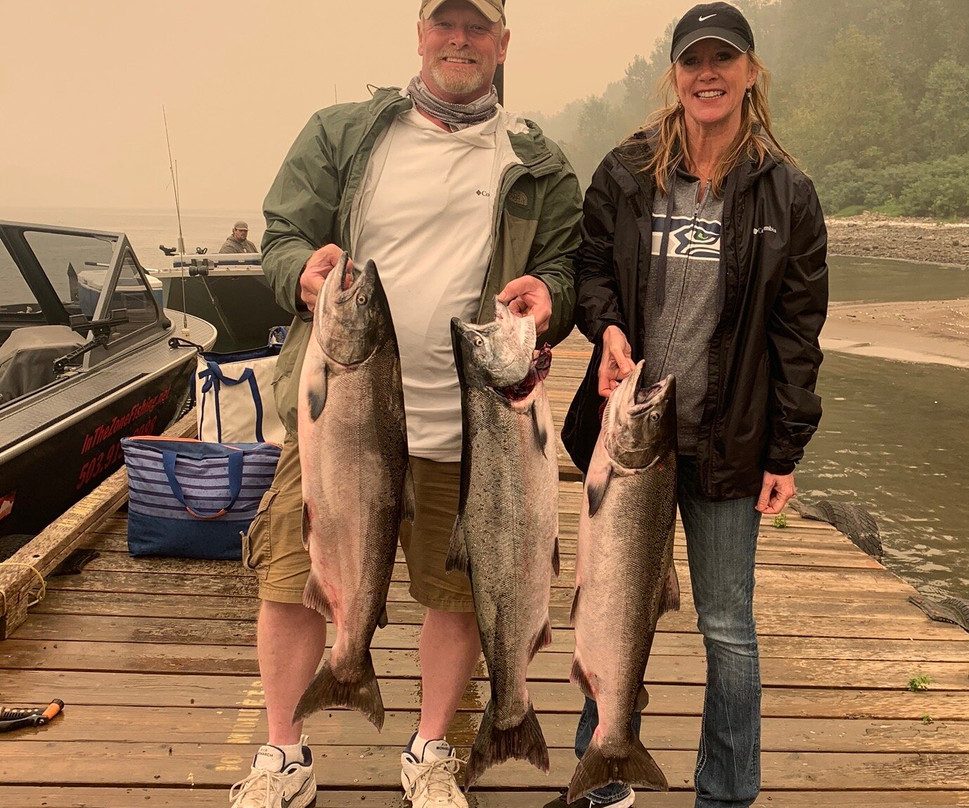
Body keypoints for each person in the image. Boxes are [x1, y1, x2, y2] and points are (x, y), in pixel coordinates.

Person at [227, 2, 580, 808]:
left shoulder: (538, 159)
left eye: (477, 27)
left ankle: (429, 750)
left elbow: (564, 263)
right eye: (445, 25)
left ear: (503, 42)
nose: (460, 40)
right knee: (291, 577)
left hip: (476, 423)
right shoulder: (345, 133)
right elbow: (283, 237)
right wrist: (303, 276)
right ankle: (283, 752)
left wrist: (548, 296)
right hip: (339, 415)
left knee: (458, 592)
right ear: (420, 35)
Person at [561, 4, 828, 807]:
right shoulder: (627, 170)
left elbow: (797, 333)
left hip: (728, 445)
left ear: (751, 72)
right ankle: (602, 779)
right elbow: (593, 266)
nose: (707, 73)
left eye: (724, 58)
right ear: (673, 74)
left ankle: (727, 793)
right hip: (631, 438)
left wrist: (785, 451)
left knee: (726, 630)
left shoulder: (789, 194)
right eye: (692, 60)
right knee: (608, 606)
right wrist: (605, 325)